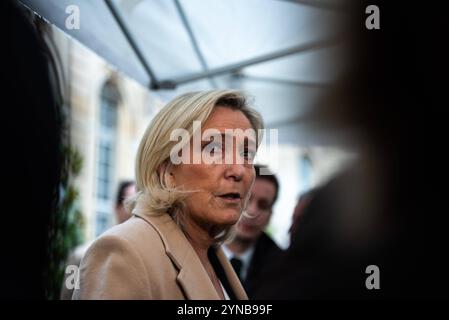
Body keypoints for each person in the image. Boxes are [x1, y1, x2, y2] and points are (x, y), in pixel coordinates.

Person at [72, 90, 264, 299]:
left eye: (246, 154)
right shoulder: (124, 252)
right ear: (167, 169)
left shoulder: (212, 254)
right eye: (214, 149)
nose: (238, 171)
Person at [60, 180, 136, 299]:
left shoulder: (143, 258)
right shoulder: (79, 255)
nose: (135, 210)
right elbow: (67, 295)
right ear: (116, 207)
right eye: (131, 203)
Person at [223, 164, 283, 298]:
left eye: (263, 205)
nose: (252, 211)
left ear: (270, 215)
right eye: (246, 199)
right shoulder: (193, 251)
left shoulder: (282, 268)